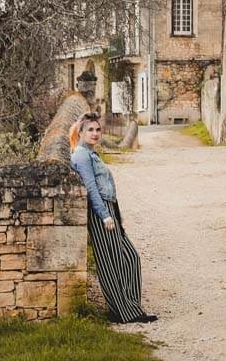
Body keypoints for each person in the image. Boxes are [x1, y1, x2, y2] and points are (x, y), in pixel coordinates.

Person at [69, 112, 157, 323]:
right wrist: (105, 216)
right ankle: (123, 313)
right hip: (100, 213)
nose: (95, 133)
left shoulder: (91, 153)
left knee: (130, 258)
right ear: (80, 132)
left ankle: (130, 307)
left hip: (109, 210)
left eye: (98, 129)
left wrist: (114, 214)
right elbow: (90, 188)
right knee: (111, 263)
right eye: (90, 129)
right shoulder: (81, 155)